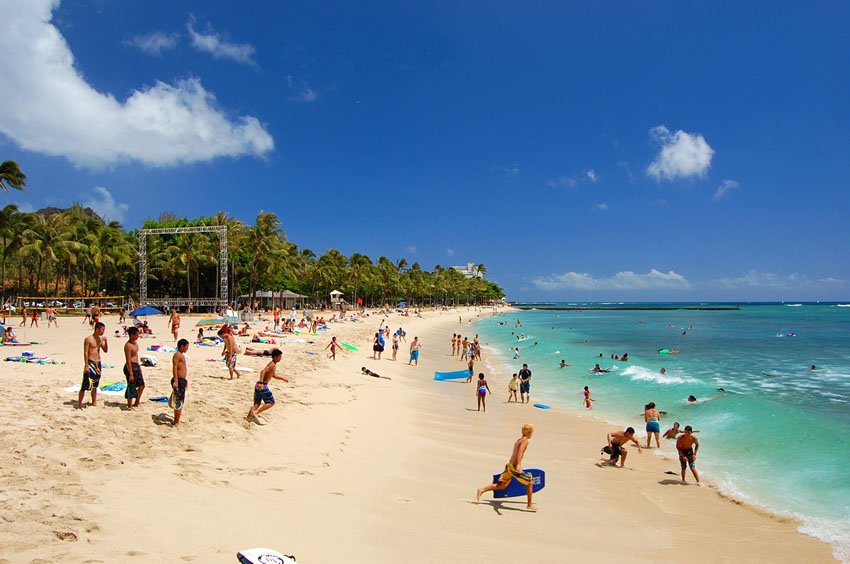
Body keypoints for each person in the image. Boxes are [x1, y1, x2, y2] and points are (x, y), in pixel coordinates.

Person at [476, 424, 537, 510]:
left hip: (509, 465)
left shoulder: (519, 440)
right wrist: (519, 465)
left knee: (502, 486)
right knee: (530, 482)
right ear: (530, 432)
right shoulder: (525, 440)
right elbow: (519, 452)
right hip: (514, 467)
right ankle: (529, 505)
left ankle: (482, 490)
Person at [246, 349, 287, 422]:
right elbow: (263, 371)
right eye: (279, 357)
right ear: (275, 357)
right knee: (271, 402)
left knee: (257, 404)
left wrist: (282, 378)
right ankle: (256, 412)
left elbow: (273, 375)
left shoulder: (273, 364)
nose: (280, 358)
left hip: (258, 385)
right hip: (262, 386)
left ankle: (249, 418)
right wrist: (261, 383)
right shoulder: (272, 364)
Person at [79, 321, 107, 408]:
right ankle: (79, 402)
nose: (103, 332)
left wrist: (106, 341)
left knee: (95, 384)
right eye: (102, 330)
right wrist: (86, 365)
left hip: (98, 363)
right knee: (85, 384)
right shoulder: (88, 339)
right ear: (97, 329)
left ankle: (94, 401)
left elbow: (105, 350)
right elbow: (86, 352)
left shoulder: (100, 339)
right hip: (90, 362)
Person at [123, 327, 145, 409]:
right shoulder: (128, 346)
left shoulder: (135, 344)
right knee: (131, 386)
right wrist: (131, 373)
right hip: (130, 366)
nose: (137, 336)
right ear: (131, 335)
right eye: (136, 335)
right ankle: (129, 404)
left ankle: (137, 402)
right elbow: (128, 360)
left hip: (136, 365)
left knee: (142, 385)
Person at [171, 339, 189, 427]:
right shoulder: (177, 355)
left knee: (181, 400)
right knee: (178, 401)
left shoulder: (181, 355)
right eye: (186, 347)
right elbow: (175, 367)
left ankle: (177, 420)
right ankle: (176, 421)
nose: (187, 349)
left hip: (182, 380)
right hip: (178, 380)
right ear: (182, 346)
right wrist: (176, 381)